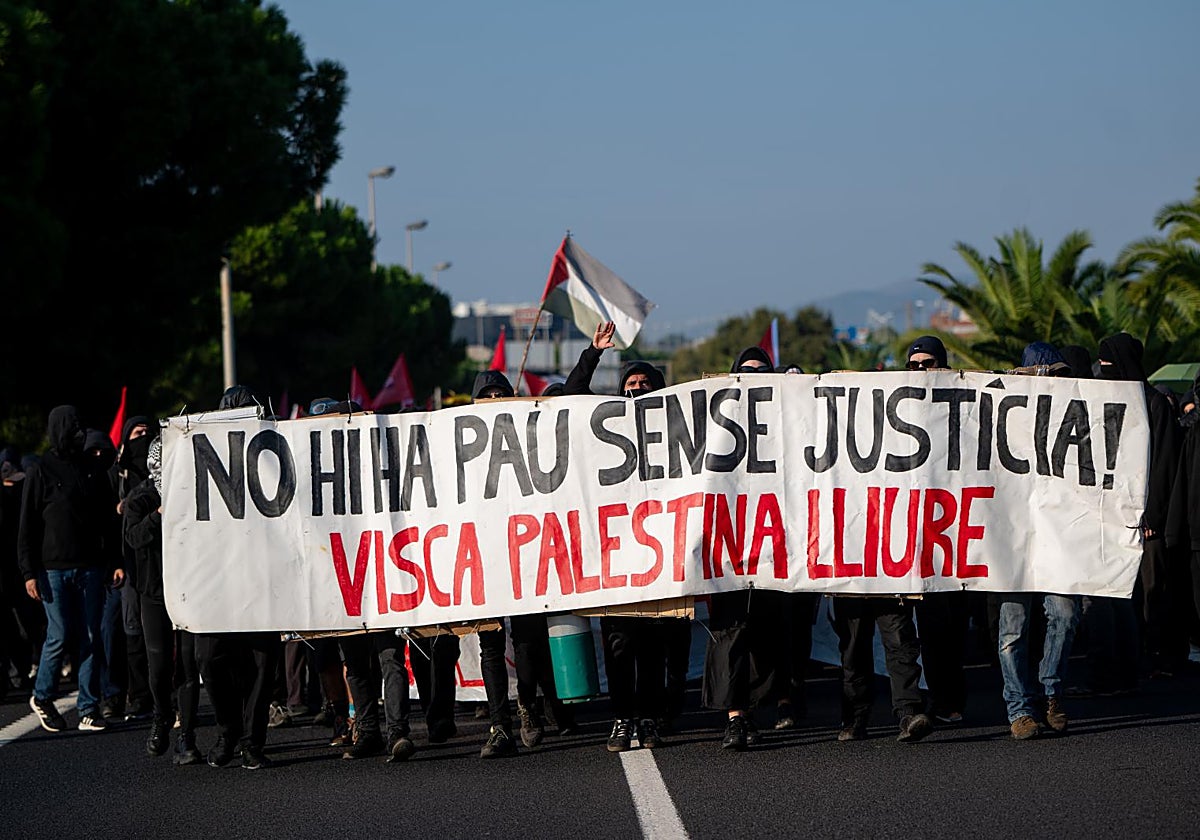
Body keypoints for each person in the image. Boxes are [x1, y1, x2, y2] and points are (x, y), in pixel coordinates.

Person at [564, 322, 673, 752]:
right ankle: (622, 717)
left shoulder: (676, 428)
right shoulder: (605, 422)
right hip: (614, 552)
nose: (637, 388)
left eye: (646, 383)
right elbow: (572, 396)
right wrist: (593, 352)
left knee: (651, 645)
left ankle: (647, 716)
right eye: (630, 382)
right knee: (618, 642)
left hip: (659, 551)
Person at [703, 346, 797, 749]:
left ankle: (757, 705)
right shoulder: (711, 425)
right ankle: (735, 718)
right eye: (746, 371)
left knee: (767, 634)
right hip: (727, 547)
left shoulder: (786, 424)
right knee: (728, 633)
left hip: (773, 546)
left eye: (761, 371)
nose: (754, 376)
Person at [19, 406, 124, 733]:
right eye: (72, 427)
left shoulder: (93, 469)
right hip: (52, 570)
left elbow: (109, 520)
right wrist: (28, 572)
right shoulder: (41, 470)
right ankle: (42, 694)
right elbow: (28, 525)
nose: (78, 433)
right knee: (60, 633)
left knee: (92, 636)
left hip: (91, 567)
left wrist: (116, 561)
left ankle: (89, 709)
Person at [994, 343, 1079, 739]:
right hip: (1013, 541)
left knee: (1064, 614)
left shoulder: (1075, 421)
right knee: (1014, 625)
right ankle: (1020, 708)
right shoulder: (1002, 421)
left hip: (1057, 538)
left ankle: (1051, 692)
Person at [193, 385, 279, 769]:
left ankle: (252, 741)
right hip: (218, 579)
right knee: (209, 658)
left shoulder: (276, 455)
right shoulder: (200, 456)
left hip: (262, 578)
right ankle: (228, 729)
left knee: (262, 666)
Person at [1098, 333, 1186, 676]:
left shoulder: (1152, 404)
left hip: (1148, 518)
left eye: (1108, 365)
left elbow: (1163, 464)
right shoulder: (1108, 401)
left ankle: (1160, 655)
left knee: (1153, 588)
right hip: (1116, 514)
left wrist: (1151, 513)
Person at [1063, 346, 1139, 697]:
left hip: (1095, 515)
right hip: (1111, 512)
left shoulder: (1089, 407)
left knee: (1099, 601)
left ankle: (1103, 674)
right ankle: (1123, 670)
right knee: (1115, 595)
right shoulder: (1112, 402)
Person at [124, 436, 204, 763]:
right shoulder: (140, 498)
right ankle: (161, 715)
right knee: (158, 666)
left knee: (188, 665)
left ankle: (187, 736)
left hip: (187, 590)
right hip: (154, 593)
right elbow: (134, 537)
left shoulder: (195, 493)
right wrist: (159, 514)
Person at [905, 336, 970, 724]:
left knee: (956, 623)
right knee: (929, 625)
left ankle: (953, 696)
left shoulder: (964, 401)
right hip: (920, 535)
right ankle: (939, 699)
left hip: (958, 532)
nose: (921, 371)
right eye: (914, 365)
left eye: (928, 364)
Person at [469, 370, 523, 758]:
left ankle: (532, 710)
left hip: (524, 553)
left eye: (499, 394)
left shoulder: (528, 437)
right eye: (485, 396)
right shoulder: (459, 446)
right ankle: (500, 725)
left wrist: (590, 356)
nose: (492, 401)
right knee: (490, 646)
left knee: (528, 641)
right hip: (485, 557)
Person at [108, 416, 154, 721]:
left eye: (148, 434)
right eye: (138, 433)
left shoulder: (161, 472)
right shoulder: (117, 475)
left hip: (157, 561)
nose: (144, 437)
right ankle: (136, 695)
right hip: (127, 564)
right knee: (131, 630)